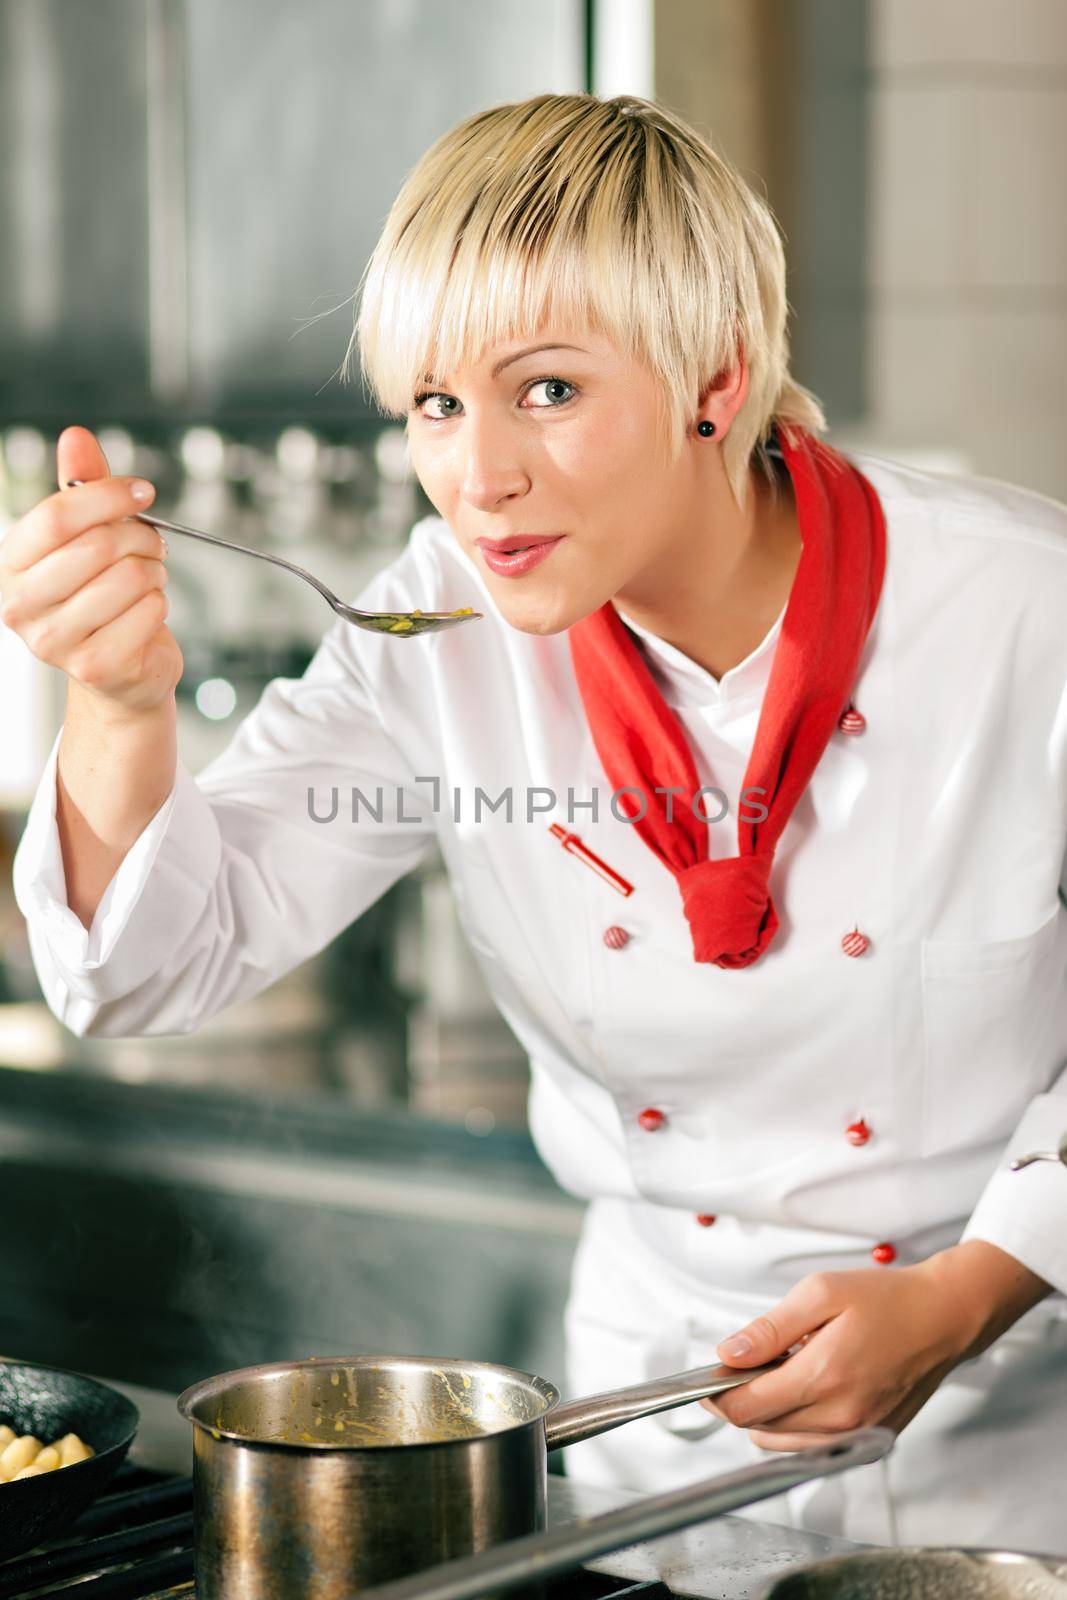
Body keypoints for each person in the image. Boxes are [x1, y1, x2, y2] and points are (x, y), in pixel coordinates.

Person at [4, 93, 1067, 1549]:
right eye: (436, 403)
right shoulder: (434, 623)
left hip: (1014, 1436)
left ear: (716, 377)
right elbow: (144, 971)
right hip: (663, 1437)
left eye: (549, 391)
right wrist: (120, 706)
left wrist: (969, 1292)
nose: (479, 476)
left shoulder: (1023, 608)